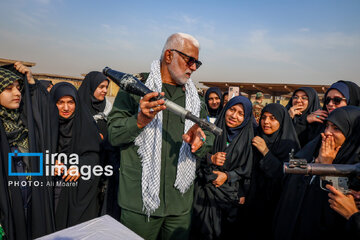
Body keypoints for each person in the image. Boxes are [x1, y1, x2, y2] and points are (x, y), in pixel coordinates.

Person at [107, 33, 214, 240]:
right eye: (189, 60)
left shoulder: (196, 99)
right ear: (168, 56)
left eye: (197, 63)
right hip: (139, 204)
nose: (193, 67)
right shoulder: (134, 89)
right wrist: (139, 121)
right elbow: (113, 135)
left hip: (179, 205)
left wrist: (198, 143)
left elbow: (207, 138)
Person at [273, 106, 360, 240]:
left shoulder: (356, 168)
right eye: (327, 126)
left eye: (336, 128)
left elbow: (334, 209)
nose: (327, 133)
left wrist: (327, 167)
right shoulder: (314, 150)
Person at [0, 63, 57, 239]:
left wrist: (31, 83)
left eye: (18, 87)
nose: (17, 93)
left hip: (31, 205)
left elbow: (47, 116)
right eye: (9, 89)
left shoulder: (25, 125)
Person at [191, 96, 254, 240]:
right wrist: (210, 158)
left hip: (229, 196)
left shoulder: (249, 139)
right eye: (232, 109)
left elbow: (248, 168)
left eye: (241, 114)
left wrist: (228, 176)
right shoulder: (210, 131)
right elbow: (193, 155)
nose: (234, 116)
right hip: (203, 192)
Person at [50, 82, 102, 230]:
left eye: (70, 102)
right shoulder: (44, 124)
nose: (66, 108)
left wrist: (79, 166)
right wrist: (48, 163)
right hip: (49, 187)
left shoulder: (85, 122)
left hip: (76, 190)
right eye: (60, 102)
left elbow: (95, 155)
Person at [246, 103, 300, 239]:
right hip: (252, 202)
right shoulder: (255, 136)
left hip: (276, 204)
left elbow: (284, 176)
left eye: (272, 118)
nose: (266, 122)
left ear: (282, 121)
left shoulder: (289, 144)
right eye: (263, 117)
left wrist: (265, 151)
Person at [78, 71, 120, 219]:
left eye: (106, 87)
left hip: (104, 166)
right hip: (82, 168)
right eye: (101, 87)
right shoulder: (78, 110)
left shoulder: (108, 110)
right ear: (90, 87)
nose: (104, 90)